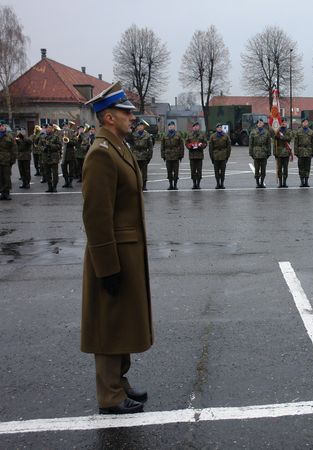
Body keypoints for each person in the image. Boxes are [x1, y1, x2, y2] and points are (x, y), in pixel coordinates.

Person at [81, 81, 152, 415]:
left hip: (128, 251)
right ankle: (109, 395)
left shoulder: (118, 146)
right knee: (109, 324)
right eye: (125, 112)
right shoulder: (101, 154)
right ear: (108, 117)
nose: (130, 117)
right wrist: (106, 266)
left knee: (121, 320)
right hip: (112, 254)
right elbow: (96, 217)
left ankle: (120, 384)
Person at [161, 121, 184, 190]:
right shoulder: (165, 135)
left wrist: (181, 156)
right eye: (170, 126)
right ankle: (170, 184)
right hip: (168, 156)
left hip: (176, 156)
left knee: (176, 172)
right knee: (169, 172)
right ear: (168, 127)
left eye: (172, 125)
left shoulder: (178, 135)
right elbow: (162, 147)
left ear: (174, 127)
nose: (171, 127)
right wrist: (163, 156)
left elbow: (181, 146)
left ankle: (175, 185)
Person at [132, 119, 154, 190]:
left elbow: (150, 147)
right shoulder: (134, 134)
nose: (140, 127)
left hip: (144, 156)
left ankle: (144, 186)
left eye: (142, 126)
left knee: (144, 173)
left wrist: (149, 156)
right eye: (139, 126)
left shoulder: (147, 135)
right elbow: (130, 144)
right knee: (135, 172)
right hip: (136, 156)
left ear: (143, 127)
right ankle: (137, 185)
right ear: (137, 127)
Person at [249, 118, 271, 188]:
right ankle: (257, 183)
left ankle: (262, 182)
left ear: (263, 124)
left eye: (261, 123)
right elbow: (251, 144)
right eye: (259, 123)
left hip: (264, 153)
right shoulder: (253, 132)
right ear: (257, 124)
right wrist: (251, 153)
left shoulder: (266, 132)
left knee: (263, 169)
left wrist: (268, 153)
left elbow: (268, 144)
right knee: (257, 169)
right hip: (256, 153)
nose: (260, 124)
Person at [294, 118, 313, 187]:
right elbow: (295, 143)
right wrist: (296, 152)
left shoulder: (311, 132)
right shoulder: (298, 132)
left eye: (307, 122)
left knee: (307, 167)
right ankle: (301, 181)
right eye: (304, 122)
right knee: (301, 167)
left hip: (308, 151)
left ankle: (306, 181)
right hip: (301, 151)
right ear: (302, 123)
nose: (305, 123)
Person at [186, 121, 207, 190]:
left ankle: (198, 184)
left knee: (199, 171)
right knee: (193, 171)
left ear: (199, 127)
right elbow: (186, 143)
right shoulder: (189, 135)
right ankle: (194, 184)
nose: (196, 127)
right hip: (192, 156)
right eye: (194, 126)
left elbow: (205, 143)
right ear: (193, 128)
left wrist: (201, 146)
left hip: (199, 155)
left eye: (197, 126)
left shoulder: (202, 135)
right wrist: (190, 146)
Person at [209, 123, 231, 189]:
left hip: (223, 156)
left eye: (220, 127)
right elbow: (210, 148)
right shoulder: (213, 136)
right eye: (218, 127)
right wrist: (212, 158)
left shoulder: (226, 136)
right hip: (215, 156)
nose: (219, 128)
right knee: (216, 171)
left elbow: (229, 147)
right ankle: (218, 184)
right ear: (216, 128)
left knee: (223, 171)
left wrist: (227, 156)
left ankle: (222, 183)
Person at [273, 118, 293, 188]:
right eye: (282, 122)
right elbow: (274, 144)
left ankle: (284, 182)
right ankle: (280, 182)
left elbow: (289, 138)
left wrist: (281, 137)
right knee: (279, 168)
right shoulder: (277, 131)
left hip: (286, 152)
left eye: (284, 122)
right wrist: (274, 153)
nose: (283, 123)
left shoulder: (289, 131)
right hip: (279, 152)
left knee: (285, 168)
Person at [0, 120, 17, 200]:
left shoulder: (9, 136)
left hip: (7, 160)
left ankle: (7, 193)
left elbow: (14, 149)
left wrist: (13, 159)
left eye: (2, 126)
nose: (1, 127)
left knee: (6, 177)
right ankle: (2, 193)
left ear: (4, 126)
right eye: (0, 126)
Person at [44, 123, 62, 193]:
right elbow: (38, 145)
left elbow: (59, 146)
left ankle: (54, 186)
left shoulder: (56, 136)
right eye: (47, 128)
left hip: (54, 157)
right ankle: (49, 187)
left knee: (55, 174)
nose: (48, 129)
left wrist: (51, 145)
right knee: (47, 173)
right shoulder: (43, 136)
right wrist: (43, 148)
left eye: (50, 127)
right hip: (45, 157)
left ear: (52, 128)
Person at [61, 121, 77, 188]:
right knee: (63, 169)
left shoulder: (72, 133)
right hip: (63, 154)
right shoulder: (60, 133)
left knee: (71, 169)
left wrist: (68, 141)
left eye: (66, 126)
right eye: (64, 126)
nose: (65, 127)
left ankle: (70, 182)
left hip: (70, 154)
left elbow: (75, 142)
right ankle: (66, 181)